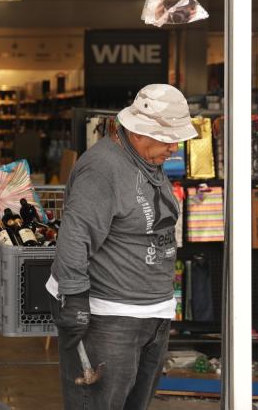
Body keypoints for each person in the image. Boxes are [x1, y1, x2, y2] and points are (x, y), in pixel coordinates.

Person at [48, 83, 199, 410]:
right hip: (110, 317)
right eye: (168, 138)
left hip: (152, 313)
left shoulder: (151, 162)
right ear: (140, 132)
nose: (175, 146)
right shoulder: (103, 167)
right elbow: (76, 233)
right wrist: (73, 300)